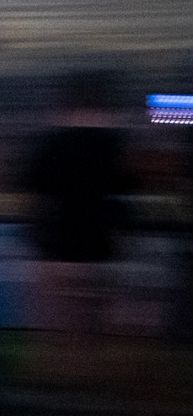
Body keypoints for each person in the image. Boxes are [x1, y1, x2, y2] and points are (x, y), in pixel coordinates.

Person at [18, 71, 138, 382]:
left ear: (64, 102)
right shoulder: (120, 145)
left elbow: (32, 200)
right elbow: (131, 193)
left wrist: (34, 240)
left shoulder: (48, 143)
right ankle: (101, 390)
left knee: (65, 333)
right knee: (101, 331)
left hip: (57, 251)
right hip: (105, 250)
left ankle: (71, 393)